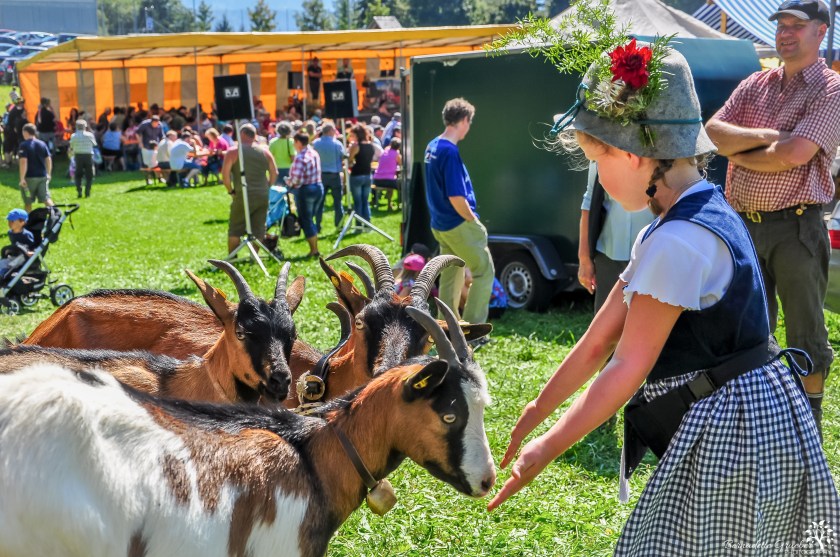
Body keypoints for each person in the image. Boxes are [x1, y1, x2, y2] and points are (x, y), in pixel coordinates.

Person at [487, 37, 839, 553]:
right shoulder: (686, 213)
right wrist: (538, 408)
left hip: (737, 434)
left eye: (597, 161)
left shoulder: (679, 241)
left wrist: (547, 448)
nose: (599, 181)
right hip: (730, 418)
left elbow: (625, 367)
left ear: (632, 156)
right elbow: (597, 340)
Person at [706, 0, 840, 435]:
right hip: (744, 226)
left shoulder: (830, 89)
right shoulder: (755, 83)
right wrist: (770, 138)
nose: (785, 33)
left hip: (797, 227)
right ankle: (758, 427)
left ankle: (809, 430)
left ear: (820, 32)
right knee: (747, 331)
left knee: (806, 337)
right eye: (780, 24)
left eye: (796, 26)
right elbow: (711, 134)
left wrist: (743, 152)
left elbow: (797, 154)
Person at [424, 98, 494, 326]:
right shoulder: (449, 152)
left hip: (439, 224)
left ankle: (445, 326)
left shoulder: (432, 145)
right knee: (484, 271)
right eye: (469, 122)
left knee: (451, 275)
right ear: (464, 120)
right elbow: (456, 197)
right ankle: (474, 330)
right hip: (457, 223)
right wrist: (473, 220)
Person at [579, 162, 653, 312]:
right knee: (606, 324)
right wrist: (584, 258)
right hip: (608, 257)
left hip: (651, 257)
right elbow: (589, 203)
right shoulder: (601, 155)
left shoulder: (661, 153)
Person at [222, 123, 277, 255]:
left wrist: (230, 191)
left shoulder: (234, 152)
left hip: (243, 193)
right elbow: (274, 172)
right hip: (262, 194)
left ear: (242, 134)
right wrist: (267, 186)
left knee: (235, 227)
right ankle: (254, 257)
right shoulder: (265, 152)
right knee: (258, 227)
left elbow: (225, 175)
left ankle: (232, 258)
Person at [285, 130, 323, 257]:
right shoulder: (314, 152)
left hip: (306, 189)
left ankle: (314, 250)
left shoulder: (300, 157)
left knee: (306, 220)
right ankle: (314, 246)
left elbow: (297, 180)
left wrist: (288, 181)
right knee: (309, 219)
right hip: (318, 187)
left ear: (298, 142)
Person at [312, 121, 346, 229]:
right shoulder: (337, 144)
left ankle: (317, 224)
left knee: (320, 202)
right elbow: (343, 156)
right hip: (334, 175)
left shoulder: (316, 143)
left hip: (320, 175)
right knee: (337, 202)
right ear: (331, 131)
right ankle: (339, 224)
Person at [347, 123, 380, 227]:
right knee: (365, 201)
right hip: (367, 175)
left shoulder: (356, 146)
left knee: (357, 202)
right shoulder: (371, 146)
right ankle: (367, 223)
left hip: (357, 175)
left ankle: (358, 224)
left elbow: (349, 160)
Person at [17, 124, 53, 213]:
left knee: (28, 202)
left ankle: (27, 222)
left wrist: (22, 178)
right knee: (46, 199)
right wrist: (48, 173)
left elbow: (23, 162)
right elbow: (48, 159)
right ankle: (56, 215)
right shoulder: (42, 143)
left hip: (29, 179)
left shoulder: (24, 145)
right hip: (42, 176)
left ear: (25, 132)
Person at [0, 209, 37, 279]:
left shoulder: (27, 235)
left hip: (23, 257)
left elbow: (32, 247)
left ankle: (3, 274)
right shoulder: (10, 233)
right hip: (15, 254)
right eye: (9, 221)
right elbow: (14, 244)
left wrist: (31, 252)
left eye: (12, 221)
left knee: (7, 264)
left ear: (22, 222)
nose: (9, 223)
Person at [68, 119, 97, 198]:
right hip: (88, 155)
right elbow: (94, 144)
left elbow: (71, 146)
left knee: (78, 175)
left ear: (76, 127)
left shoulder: (73, 136)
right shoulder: (90, 135)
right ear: (85, 126)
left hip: (78, 155)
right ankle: (87, 192)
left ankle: (79, 191)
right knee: (89, 175)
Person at [373, 137, 401, 210]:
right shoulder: (396, 153)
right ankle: (395, 204)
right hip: (389, 180)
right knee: (400, 185)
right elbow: (401, 164)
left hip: (377, 180)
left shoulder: (384, 152)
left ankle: (382, 202)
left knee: (391, 184)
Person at [2, 97, 25, 168]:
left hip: (12, 132)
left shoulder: (15, 110)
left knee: (11, 147)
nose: (23, 104)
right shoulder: (16, 111)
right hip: (12, 132)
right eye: (22, 103)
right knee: (11, 146)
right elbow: (13, 123)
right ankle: (9, 162)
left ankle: (10, 162)